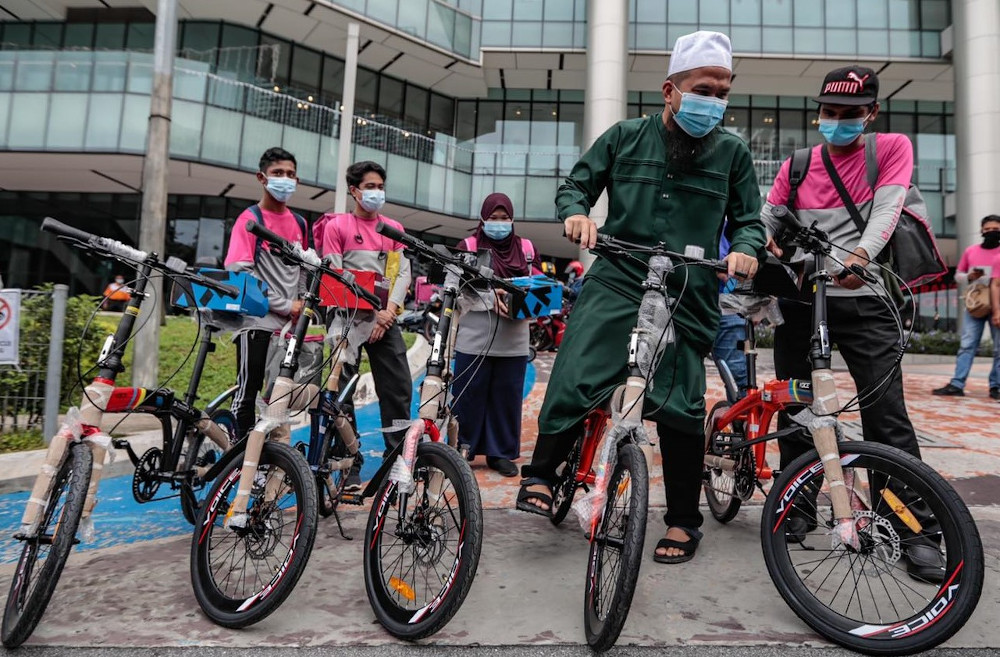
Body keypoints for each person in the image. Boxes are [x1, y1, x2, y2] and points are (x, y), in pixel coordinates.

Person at [516, 31, 764, 565]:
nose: (714, 101)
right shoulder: (625, 136)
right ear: (669, 90)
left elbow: (749, 222)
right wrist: (577, 213)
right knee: (576, 369)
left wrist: (745, 248)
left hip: (688, 288)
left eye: (723, 91)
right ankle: (541, 474)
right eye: (704, 88)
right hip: (618, 277)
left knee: (681, 406)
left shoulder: (734, 153)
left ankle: (682, 521)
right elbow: (575, 186)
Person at [761, 66, 944, 581]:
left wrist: (861, 256)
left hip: (865, 300)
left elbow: (888, 208)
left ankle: (913, 529)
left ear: (871, 113)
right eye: (829, 112)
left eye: (849, 114)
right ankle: (796, 509)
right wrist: (763, 245)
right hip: (803, 300)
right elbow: (766, 216)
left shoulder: (888, 148)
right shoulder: (797, 165)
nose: (836, 121)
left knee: (886, 417)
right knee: (797, 408)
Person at [316, 160, 412, 489]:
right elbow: (334, 273)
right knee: (339, 392)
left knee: (398, 388)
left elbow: (401, 273)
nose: (376, 192)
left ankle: (397, 456)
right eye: (370, 186)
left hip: (386, 321)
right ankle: (348, 460)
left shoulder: (392, 228)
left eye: (380, 186)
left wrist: (388, 312)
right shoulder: (337, 226)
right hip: (346, 320)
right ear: (354, 190)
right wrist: (368, 311)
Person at [224, 147, 308, 440]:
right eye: (277, 174)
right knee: (248, 391)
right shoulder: (249, 219)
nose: (285, 180)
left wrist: (301, 307)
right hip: (255, 324)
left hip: (289, 328)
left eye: (290, 174)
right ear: (262, 177)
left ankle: (268, 460)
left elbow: (302, 270)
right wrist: (286, 305)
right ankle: (238, 458)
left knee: (280, 395)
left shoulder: (299, 223)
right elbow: (240, 273)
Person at [450, 193, 535, 477]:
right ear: (483, 219)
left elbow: (534, 288)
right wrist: (491, 301)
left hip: (514, 339)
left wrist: (530, 305)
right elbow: (455, 293)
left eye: (505, 218)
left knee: (507, 397)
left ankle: (500, 453)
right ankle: (463, 448)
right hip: (475, 338)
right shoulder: (469, 246)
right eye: (494, 218)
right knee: (468, 395)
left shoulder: (526, 248)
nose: (499, 223)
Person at [931, 215, 1000, 400]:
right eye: (987, 229)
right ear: (981, 230)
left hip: (998, 304)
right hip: (976, 304)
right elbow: (958, 276)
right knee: (967, 345)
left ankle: (997, 386)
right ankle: (957, 383)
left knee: (999, 348)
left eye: (995, 229)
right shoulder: (971, 251)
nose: (991, 232)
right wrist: (971, 276)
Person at [712, 234, 748, 403]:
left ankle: (743, 425)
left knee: (739, 377)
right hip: (687, 298)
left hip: (725, 304)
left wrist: (730, 289)